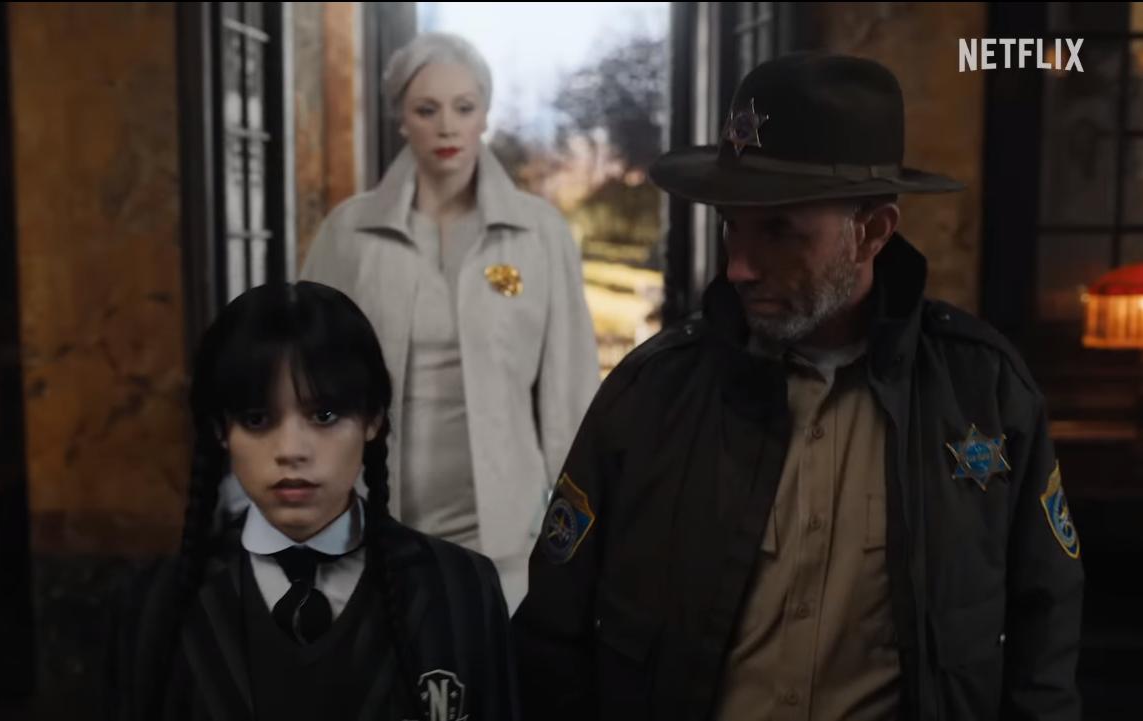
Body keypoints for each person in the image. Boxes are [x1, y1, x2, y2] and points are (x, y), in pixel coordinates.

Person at [512, 52, 1083, 721]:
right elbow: (551, 636)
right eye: (732, 227)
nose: (739, 267)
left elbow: (1045, 637)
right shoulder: (650, 395)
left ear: (871, 232)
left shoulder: (983, 394)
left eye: (778, 231)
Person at [106, 282, 518, 721]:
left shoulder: (459, 588)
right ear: (222, 431)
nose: (291, 450)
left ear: (373, 420)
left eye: (324, 416)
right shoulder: (157, 604)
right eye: (257, 419)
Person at [302, 32, 600, 613]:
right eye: (426, 109)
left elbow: (570, 394)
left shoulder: (540, 235)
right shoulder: (348, 234)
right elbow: (308, 381)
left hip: (507, 536)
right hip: (373, 524)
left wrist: (579, 531)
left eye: (464, 108)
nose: (447, 127)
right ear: (401, 119)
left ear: (485, 115)